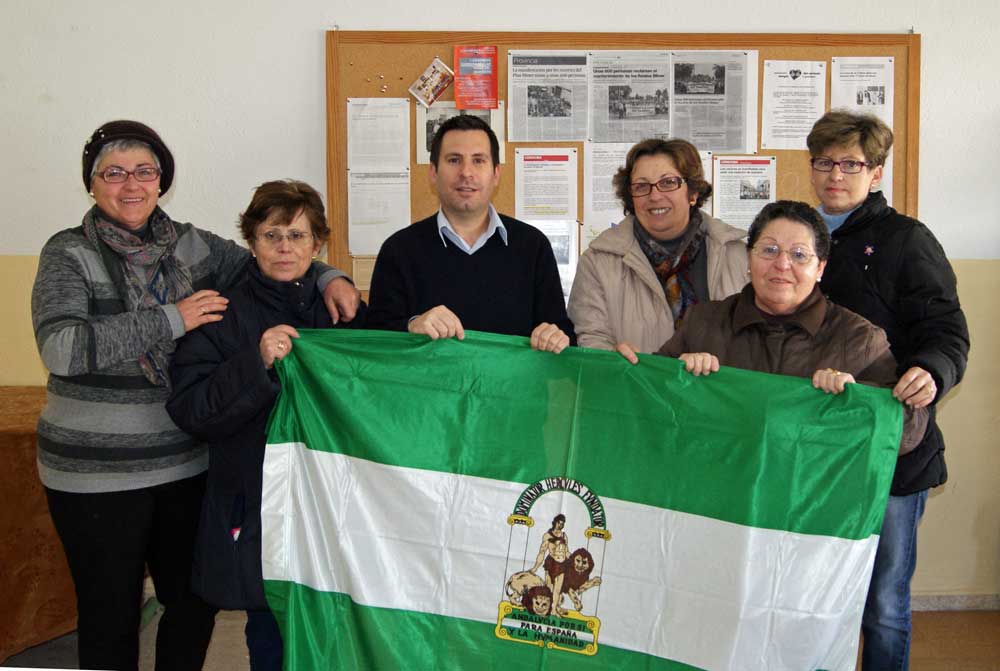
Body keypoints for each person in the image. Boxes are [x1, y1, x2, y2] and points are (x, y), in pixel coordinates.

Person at [30, 120, 359, 671]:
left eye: (144, 171)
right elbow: (62, 348)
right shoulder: (68, 253)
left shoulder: (193, 246)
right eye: (113, 172)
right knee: (111, 615)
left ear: (162, 180)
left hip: (183, 464)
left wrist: (330, 278)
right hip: (95, 473)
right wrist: (171, 319)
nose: (130, 184)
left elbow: (275, 255)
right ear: (92, 183)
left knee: (192, 607)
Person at [166, 180, 364, 671]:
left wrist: (417, 328)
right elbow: (191, 410)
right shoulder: (219, 312)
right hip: (258, 503)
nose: (284, 248)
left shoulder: (343, 310)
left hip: (333, 505)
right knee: (270, 630)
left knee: (337, 628)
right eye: (271, 235)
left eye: (297, 236)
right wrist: (256, 363)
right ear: (250, 241)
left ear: (317, 244)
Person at [805, 111, 969, 671]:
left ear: (875, 173)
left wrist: (933, 369)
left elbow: (947, 330)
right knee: (806, 594)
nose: (835, 174)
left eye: (851, 163)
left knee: (883, 604)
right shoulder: (796, 235)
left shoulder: (906, 240)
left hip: (892, 449)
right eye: (824, 162)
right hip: (813, 448)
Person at [617, 200, 928, 453]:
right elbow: (648, 403)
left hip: (808, 514)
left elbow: (908, 433)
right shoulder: (704, 322)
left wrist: (858, 398)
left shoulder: (860, 338)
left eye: (799, 255)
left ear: (820, 268)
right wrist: (673, 375)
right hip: (720, 505)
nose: (782, 265)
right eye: (768, 250)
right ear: (749, 260)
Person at [367, 115, 574, 353]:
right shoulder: (399, 250)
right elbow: (375, 341)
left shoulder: (532, 246)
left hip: (511, 390)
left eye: (478, 160)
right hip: (430, 390)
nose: (466, 172)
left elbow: (563, 334)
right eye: (454, 160)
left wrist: (556, 337)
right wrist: (412, 326)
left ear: (496, 173)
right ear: (433, 173)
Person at [568, 138, 747, 353]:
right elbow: (592, 341)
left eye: (668, 183)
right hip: (634, 385)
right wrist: (613, 361)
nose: (654, 196)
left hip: (719, 387)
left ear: (692, 193)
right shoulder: (597, 262)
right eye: (641, 186)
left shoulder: (739, 255)